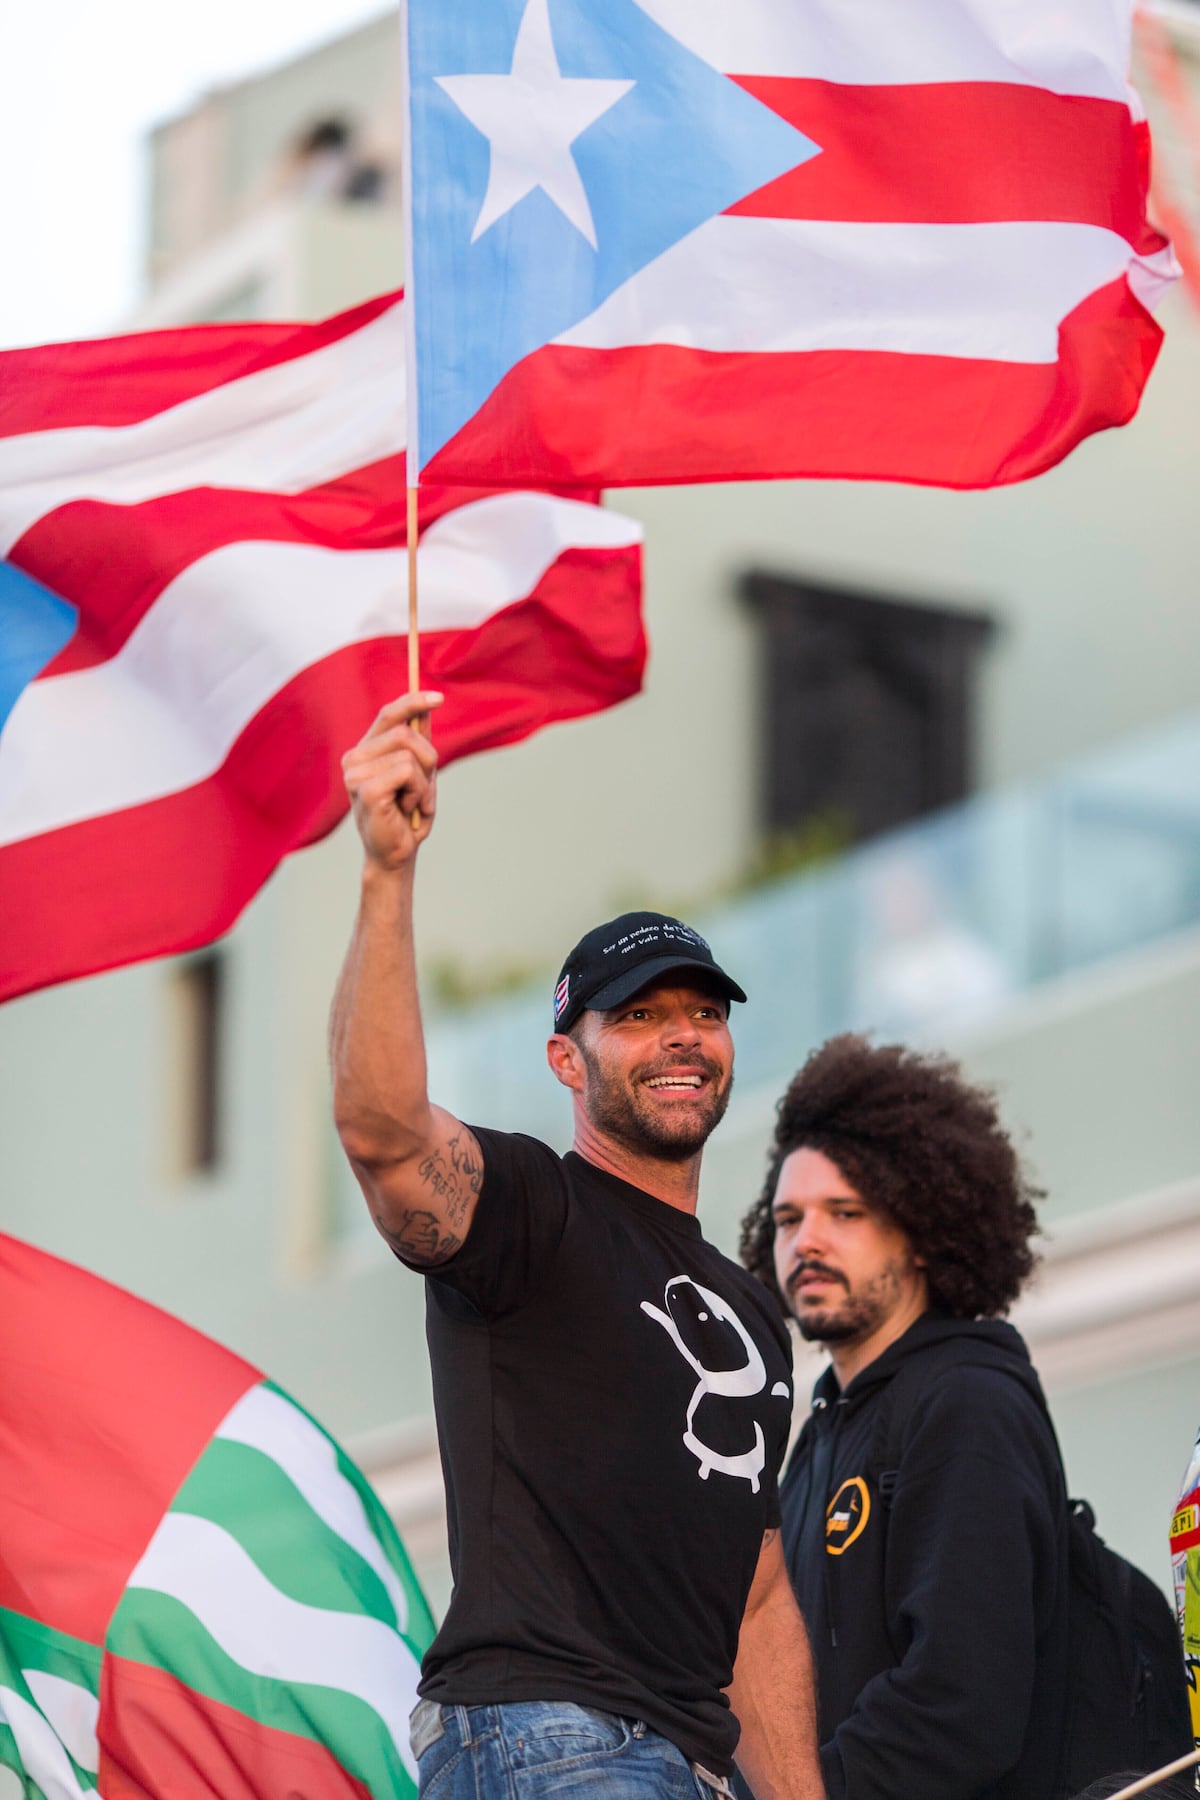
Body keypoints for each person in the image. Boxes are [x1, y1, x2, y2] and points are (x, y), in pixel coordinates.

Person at [330, 693, 825, 1800]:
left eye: (704, 1012)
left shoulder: (752, 1312)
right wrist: (386, 874)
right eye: (639, 1016)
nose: (683, 1035)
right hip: (551, 1736)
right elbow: (382, 1133)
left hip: (688, 1766)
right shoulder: (532, 1207)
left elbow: (754, 1601)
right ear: (569, 1059)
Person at [738, 1033, 1070, 1800]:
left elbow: (961, 1703)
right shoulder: (812, 1445)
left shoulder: (968, 1401)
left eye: (845, 1212)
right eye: (787, 1219)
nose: (806, 1241)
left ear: (923, 1231)